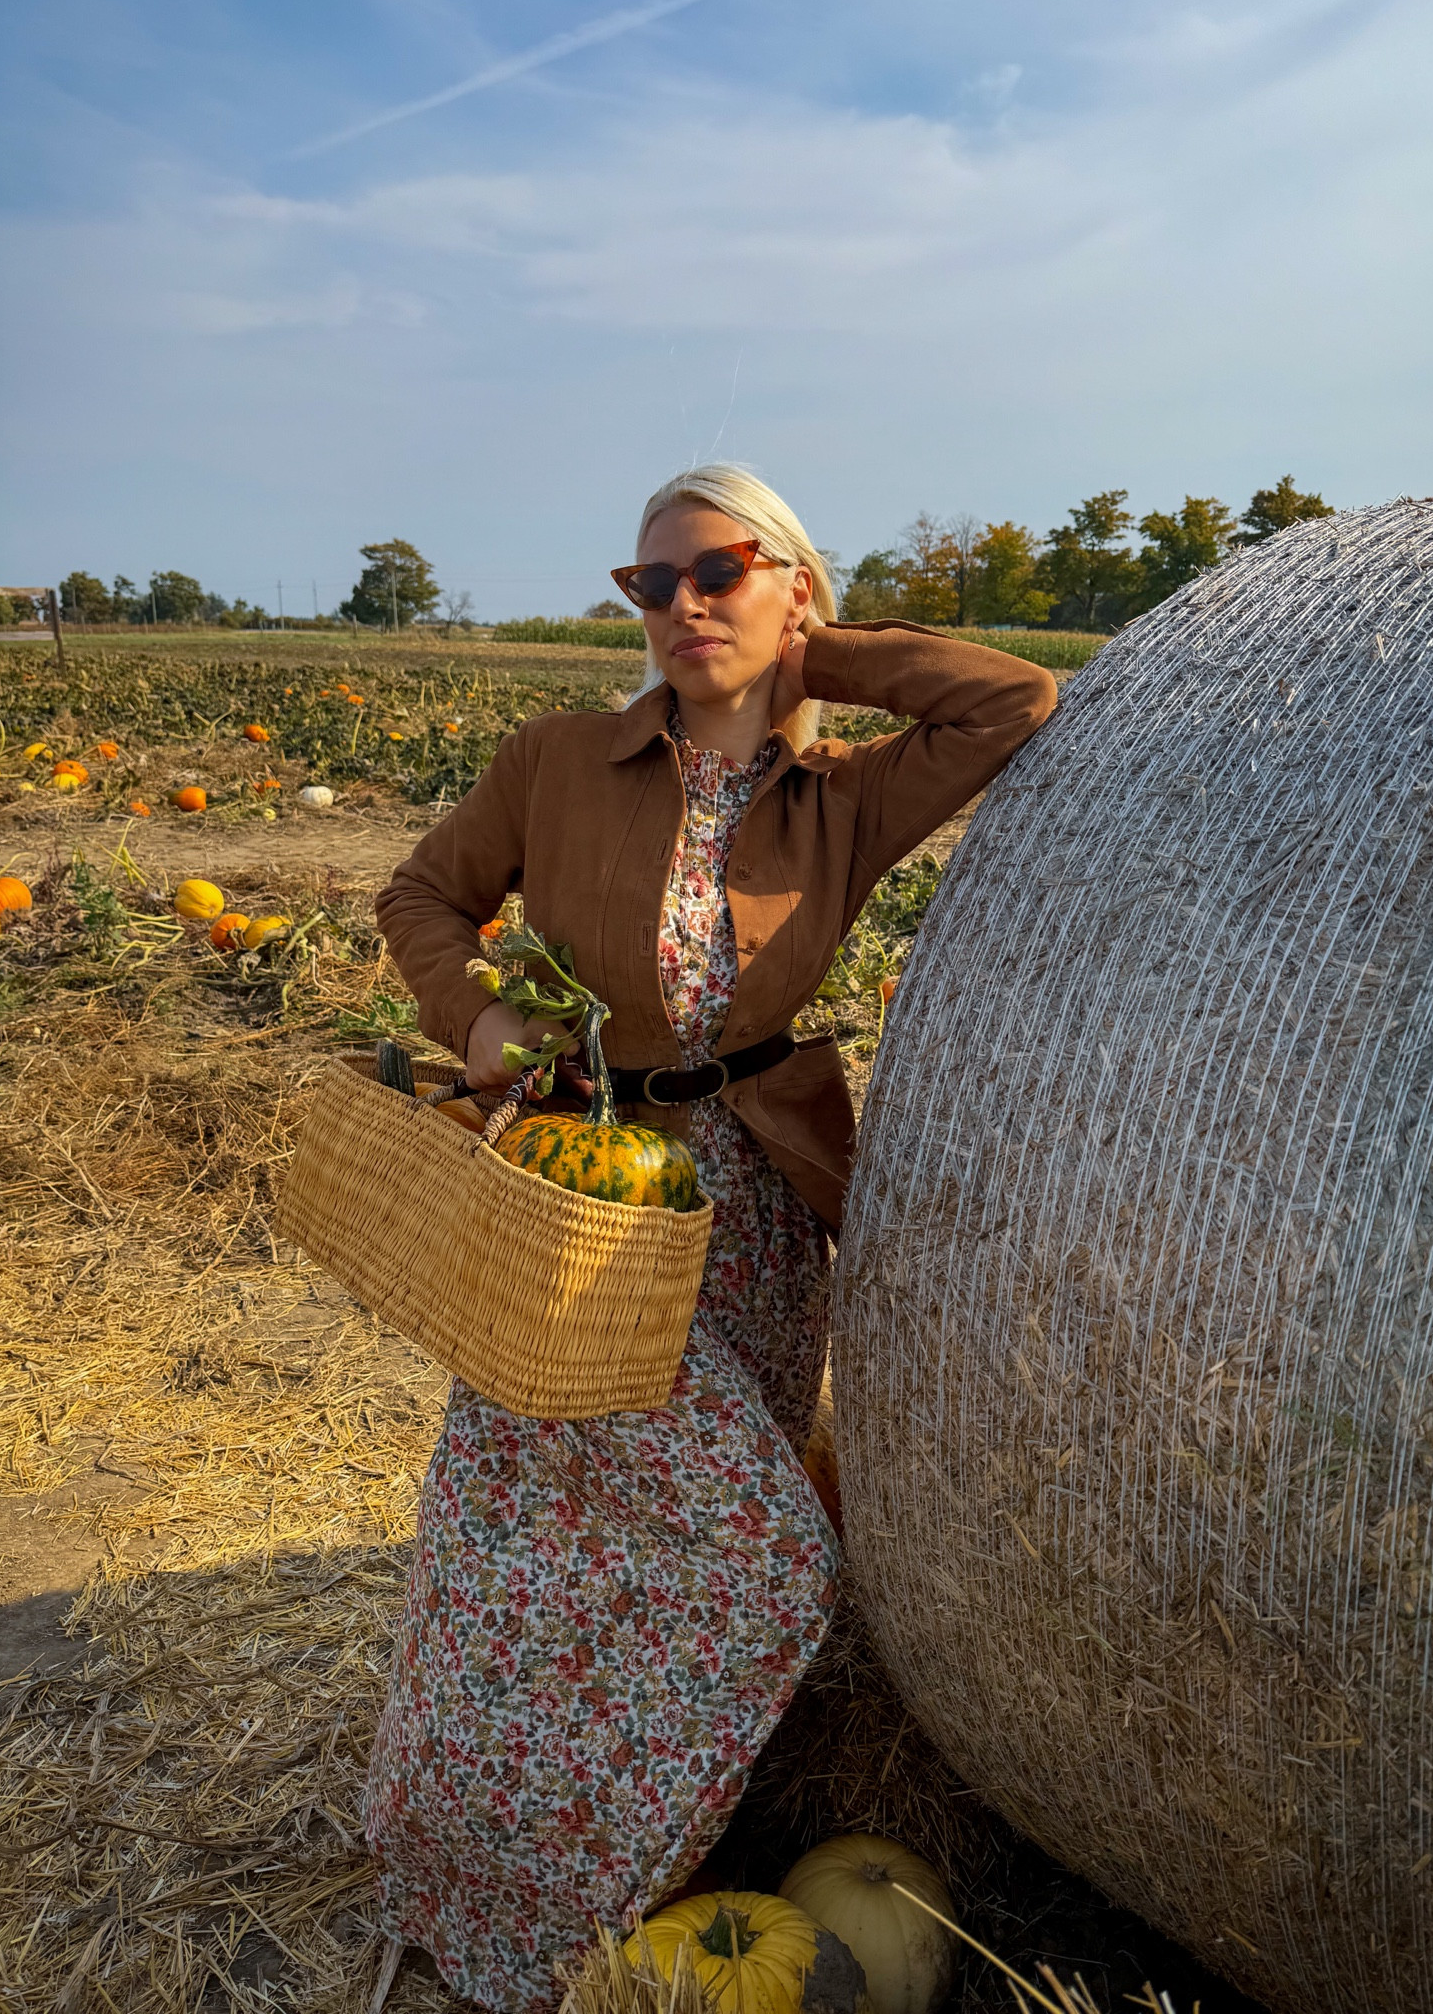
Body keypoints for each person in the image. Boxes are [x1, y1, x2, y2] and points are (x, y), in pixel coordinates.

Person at [363, 465, 1058, 2010]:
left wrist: (826, 657)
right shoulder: (557, 759)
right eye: (648, 585)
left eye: (719, 573)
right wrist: (477, 1019)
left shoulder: (847, 793)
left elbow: (1016, 700)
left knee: (701, 1559)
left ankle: (666, 1856)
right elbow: (423, 896)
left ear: (790, 582)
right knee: (548, 1545)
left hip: (754, 1214)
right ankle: (490, 1879)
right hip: (580, 1204)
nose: (678, 607)